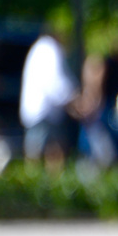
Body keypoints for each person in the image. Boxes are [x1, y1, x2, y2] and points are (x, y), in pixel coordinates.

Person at [19, 26, 76, 169]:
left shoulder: (38, 48)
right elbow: (56, 83)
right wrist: (74, 99)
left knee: (34, 158)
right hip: (45, 115)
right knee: (51, 156)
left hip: (35, 114)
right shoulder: (51, 48)